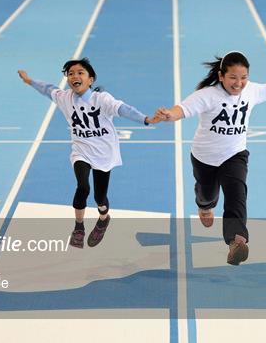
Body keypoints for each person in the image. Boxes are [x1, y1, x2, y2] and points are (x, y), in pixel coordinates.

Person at [156, 51, 266, 265]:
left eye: (243, 77)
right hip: (204, 158)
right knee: (207, 194)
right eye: (233, 77)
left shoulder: (251, 91)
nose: (239, 83)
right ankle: (204, 206)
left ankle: (237, 241)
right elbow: (184, 109)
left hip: (235, 154)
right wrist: (170, 114)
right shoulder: (208, 95)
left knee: (237, 194)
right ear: (221, 75)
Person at [18, 58, 160, 248]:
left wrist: (146, 119)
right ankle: (79, 228)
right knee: (83, 186)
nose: (74, 76)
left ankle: (103, 218)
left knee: (100, 198)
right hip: (81, 150)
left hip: (104, 153)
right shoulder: (64, 97)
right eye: (70, 73)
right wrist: (29, 81)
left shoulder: (102, 99)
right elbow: (47, 88)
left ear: (90, 79)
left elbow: (123, 109)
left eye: (80, 73)